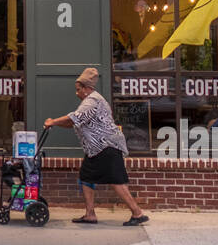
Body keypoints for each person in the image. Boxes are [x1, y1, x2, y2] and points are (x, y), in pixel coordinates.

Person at [44, 66, 149, 226]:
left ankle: (137, 213)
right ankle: (90, 214)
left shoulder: (92, 101)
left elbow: (75, 117)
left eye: (78, 89)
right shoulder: (90, 100)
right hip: (96, 149)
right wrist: (57, 124)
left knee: (116, 181)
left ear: (86, 89)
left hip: (106, 146)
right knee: (86, 177)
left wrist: (53, 121)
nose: (76, 92)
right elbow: (75, 123)